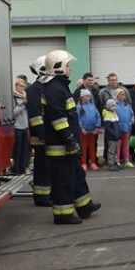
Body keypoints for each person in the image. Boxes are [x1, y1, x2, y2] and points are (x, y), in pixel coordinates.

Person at [40, 50, 100, 224]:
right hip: (61, 146)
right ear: (58, 67)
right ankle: (63, 214)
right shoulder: (55, 88)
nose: (69, 69)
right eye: (67, 65)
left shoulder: (60, 86)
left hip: (67, 144)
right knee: (63, 180)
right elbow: (58, 119)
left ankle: (84, 206)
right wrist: (69, 139)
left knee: (77, 175)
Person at [26, 55, 52, 207]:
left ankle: (46, 194)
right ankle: (41, 197)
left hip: (46, 134)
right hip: (40, 136)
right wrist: (43, 134)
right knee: (42, 166)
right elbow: (35, 114)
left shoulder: (43, 87)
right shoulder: (34, 89)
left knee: (47, 166)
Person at [9, 76, 30, 175]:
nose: (23, 88)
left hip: (24, 127)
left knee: (24, 150)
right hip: (17, 127)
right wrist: (22, 105)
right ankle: (15, 170)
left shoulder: (24, 97)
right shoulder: (13, 97)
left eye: (24, 86)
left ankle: (23, 168)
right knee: (16, 150)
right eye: (21, 86)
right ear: (15, 86)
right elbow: (13, 112)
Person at [77, 90, 102, 170]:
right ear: (82, 97)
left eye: (89, 96)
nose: (88, 98)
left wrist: (97, 126)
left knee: (92, 147)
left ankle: (93, 162)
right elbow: (78, 118)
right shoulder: (79, 107)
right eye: (86, 96)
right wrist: (81, 128)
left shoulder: (92, 106)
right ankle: (83, 163)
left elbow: (98, 116)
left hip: (93, 130)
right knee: (83, 147)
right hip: (84, 131)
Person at [114, 88, 135, 168]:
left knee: (126, 144)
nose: (123, 96)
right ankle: (117, 160)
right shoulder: (114, 105)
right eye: (121, 94)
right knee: (118, 145)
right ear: (116, 95)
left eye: (123, 95)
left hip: (127, 127)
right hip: (118, 128)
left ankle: (127, 160)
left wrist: (131, 121)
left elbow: (132, 114)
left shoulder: (127, 105)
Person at [102, 99, 123, 171]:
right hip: (111, 137)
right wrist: (114, 134)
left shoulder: (114, 114)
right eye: (112, 106)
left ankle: (115, 162)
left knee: (115, 151)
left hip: (116, 136)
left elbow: (117, 125)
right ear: (108, 106)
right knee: (111, 150)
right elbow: (108, 128)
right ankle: (111, 163)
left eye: (114, 106)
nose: (114, 107)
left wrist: (118, 133)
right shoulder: (107, 115)